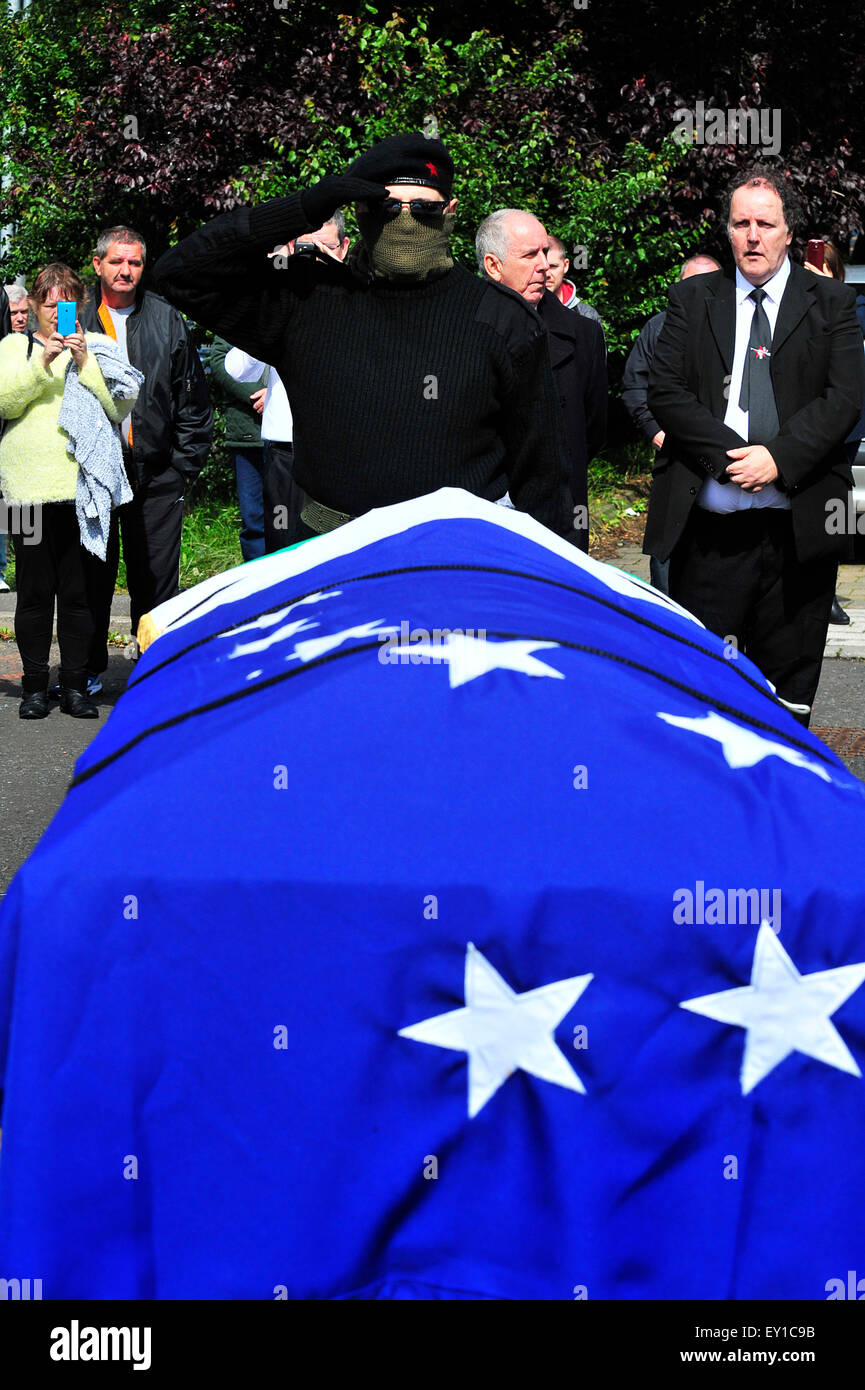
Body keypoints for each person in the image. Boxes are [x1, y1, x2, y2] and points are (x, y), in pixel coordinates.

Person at [152, 133, 573, 545]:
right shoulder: (308, 298)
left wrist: (558, 599)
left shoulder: (503, 318)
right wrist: (302, 207)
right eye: (386, 207)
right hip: (331, 558)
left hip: (454, 565)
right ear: (359, 211)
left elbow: (544, 479)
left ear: (450, 212)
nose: (405, 220)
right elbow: (180, 272)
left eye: (424, 210)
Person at [644, 166, 865, 724]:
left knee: (787, 705)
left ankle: (783, 807)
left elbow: (844, 400)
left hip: (796, 539)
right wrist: (730, 459)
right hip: (709, 542)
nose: (752, 235)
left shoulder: (832, 303)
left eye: (765, 223)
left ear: (789, 232)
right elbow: (666, 392)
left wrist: (778, 459)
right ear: (727, 230)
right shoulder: (693, 299)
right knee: (703, 697)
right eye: (740, 223)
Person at [0, 264, 139, 718]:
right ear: (35, 307)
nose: (56, 310)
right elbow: (5, 401)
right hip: (24, 493)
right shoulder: (13, 346)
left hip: (82, 489)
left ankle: (76, 687)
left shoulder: (98, 347)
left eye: (66, 302)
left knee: (80, 595)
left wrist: (84, 363)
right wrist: (43, 362)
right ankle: (36, 687)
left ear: (77, 304)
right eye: (47, 302)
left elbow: (122, 404)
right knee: (33, 593)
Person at [80, 225, 213, 672]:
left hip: (155, 474)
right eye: (116, 261)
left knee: (155, 582)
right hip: (94, 475)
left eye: (134, 262)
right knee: (91, 579)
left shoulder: (164, 317)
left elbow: (193, 399)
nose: (125, 270)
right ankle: (89, 672)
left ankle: (152, 671)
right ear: (98, 264)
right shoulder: (74, 318)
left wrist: (182, 468)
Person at [477, 208, 606, 550]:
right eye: (529, 255)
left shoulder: (584, 335)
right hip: (480, 522)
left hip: (559, 520)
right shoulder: (457, 331)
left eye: (545, 252)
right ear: (493, 266)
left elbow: (591, 429)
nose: (544, 265)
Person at [224, 216, 351, 552]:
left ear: (345, 248)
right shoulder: (280, 299)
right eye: (309, 248)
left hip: (343, 452)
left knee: (337, 554)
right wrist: (272, 310)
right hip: (286, 455)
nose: (318, 257)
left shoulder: (361, 300)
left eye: (328, 247)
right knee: (283, 551)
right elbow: (237, 369)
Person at [622, 254, 722, 592]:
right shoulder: (659, 328)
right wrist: (656, 432)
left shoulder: (740, 333)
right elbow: (635, 386)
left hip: (725, 464)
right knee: (667, 550)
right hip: (674, 461)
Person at [802, 239, 864, 624]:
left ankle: (826, 593)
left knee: (834, 512)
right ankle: (808, 593)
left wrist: (828, 291)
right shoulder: (797, 306)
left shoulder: (853, 309)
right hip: (809, 424)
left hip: (847, 426)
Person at [209, 336, 268, 560]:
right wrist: (259, 394)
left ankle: (285, 584)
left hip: (288, 439)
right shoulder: (240, 306)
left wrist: (278, 395)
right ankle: (257, 585)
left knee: (283, 516)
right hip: (248, 434)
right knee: (254, 519)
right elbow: (219, 359)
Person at [544, 233, 605, 336]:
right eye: (542, 267)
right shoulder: (522, 311)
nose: (547, 274)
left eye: (553, 266)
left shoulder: (587, 316)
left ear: (565, 265)